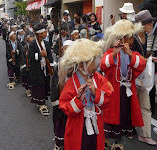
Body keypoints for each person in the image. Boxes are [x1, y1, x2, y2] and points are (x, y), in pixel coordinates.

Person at [59, 39, 114, 150]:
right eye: (93, 60)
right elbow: (65, 106)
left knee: (94, 145)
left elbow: (109, 95)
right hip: (77, 124)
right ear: (82, 64)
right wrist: (78, 100)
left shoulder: (97, 78)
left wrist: (95, 92)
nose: (96, 62)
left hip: (95, 120)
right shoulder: (71, 82)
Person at [100, 20, 146, 149]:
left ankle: (117, 142)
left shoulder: (132, 52)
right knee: (111, 117)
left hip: (126, 91)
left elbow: (141, 65)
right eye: (130, 36)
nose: (132, 39)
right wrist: (115, 52)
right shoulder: (111, 52)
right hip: (113, 90)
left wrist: (130, 54)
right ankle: (105, 140)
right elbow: (104, 65)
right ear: (123, 37)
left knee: (123, 116)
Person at [133, 10, 156, 145]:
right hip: (131, 78)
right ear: (142, 24)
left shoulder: (145, 36)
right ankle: (126, 130)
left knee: (145, 106)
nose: (152, 25)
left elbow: (141, 56)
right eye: (149, 23)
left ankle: (145, 134)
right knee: (129, 106)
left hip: (141, 78)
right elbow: (132, 57)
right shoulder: (133, 37)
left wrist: (150, 58)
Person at [51, 40, 73, 150]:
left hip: (71, 100)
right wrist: (55, 101)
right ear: (62, 49)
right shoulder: (58, 65)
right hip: (60, 99)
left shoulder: (76, 65)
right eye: (65, 48)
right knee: (59, 122)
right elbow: (54, 84)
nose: (67, 50)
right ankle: (59, 143)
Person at [28, 23, 53, 116]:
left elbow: (49, 56)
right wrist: (39, 55)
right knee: (39, 85)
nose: (46, 33)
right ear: (39, 34)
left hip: (45, 68)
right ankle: (41, 104)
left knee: (44, 84)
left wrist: (51, 66)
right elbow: (29, 55)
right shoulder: (33, 44)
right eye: (44, 32)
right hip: (36, 69)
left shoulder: (46, 43)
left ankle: (42, 101)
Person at [21, 31, 34, 97]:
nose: (32, 38)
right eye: (30, 37)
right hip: (27, 65)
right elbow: (22, 58)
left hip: (33, 65)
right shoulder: (24, 48)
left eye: (33, 37)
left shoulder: (34, 46)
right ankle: (29, 89)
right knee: (27, 78)